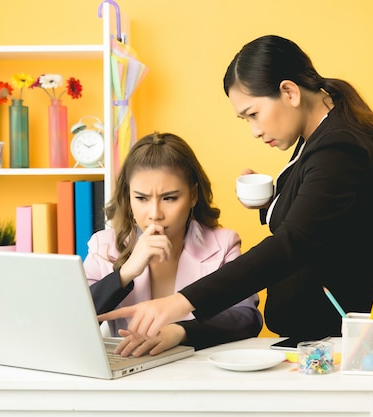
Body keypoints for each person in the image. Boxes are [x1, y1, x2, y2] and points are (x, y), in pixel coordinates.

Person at [98, 35, 373, 341]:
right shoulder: (320, 139)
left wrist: (181, 302)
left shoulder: (339, 146)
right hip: (322, 335)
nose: (255, 131)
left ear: (289, 92)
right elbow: (324, 217)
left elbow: (293, 242)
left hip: (346, 336)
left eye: (253, 114)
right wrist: (274, 202)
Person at [85, 132, 263, 357]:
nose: (155, 214)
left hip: (199, 375)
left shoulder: (223, 243)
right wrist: (126, 272)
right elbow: (71, 317)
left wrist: (179, 332)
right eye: (141, 198)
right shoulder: (104, 246)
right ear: (128, 198)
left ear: (193, 195)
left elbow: (247, 318)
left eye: (169, 198)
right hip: (128, 378)